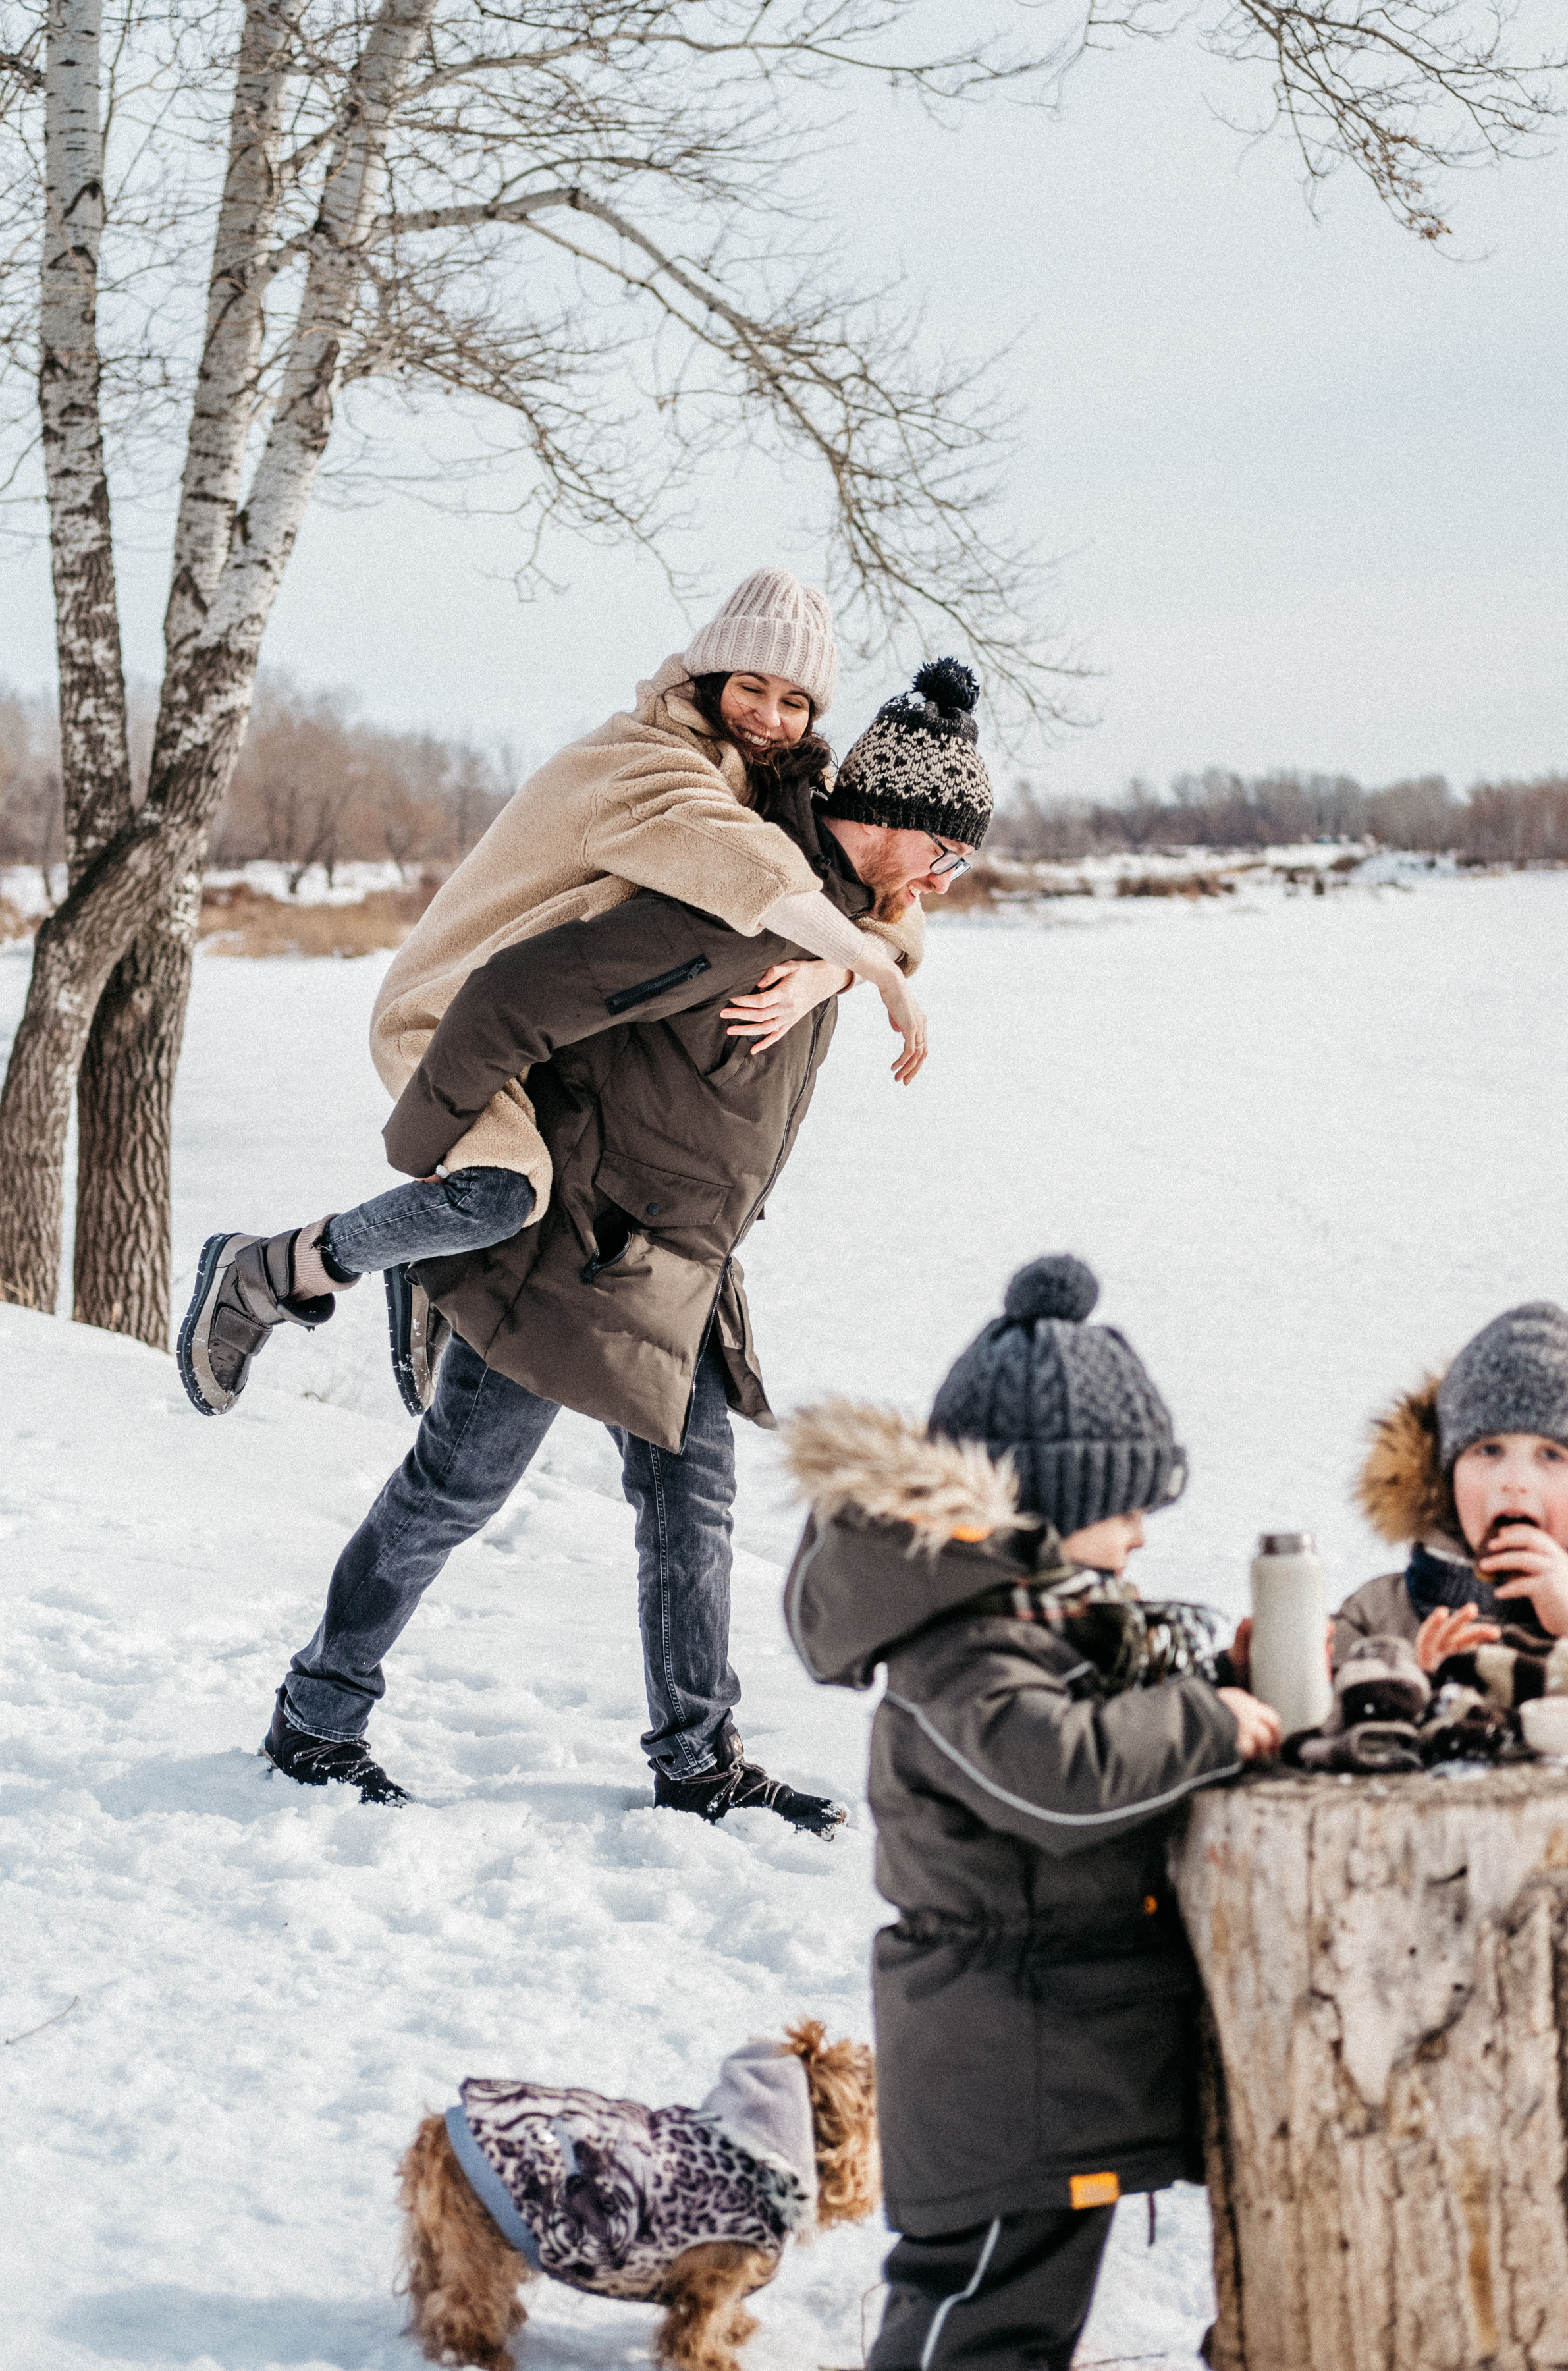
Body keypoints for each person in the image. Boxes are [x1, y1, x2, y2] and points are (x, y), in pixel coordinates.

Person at [252, 660, 995, 1825]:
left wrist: (849, 968)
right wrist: (439, 1164)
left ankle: (697, 1759)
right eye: (950, 855)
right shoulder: (729, 898)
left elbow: (878, 932)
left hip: (688, 1263)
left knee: (692, 1507)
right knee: (455, 1490)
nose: (952, 884)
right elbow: (518, 993)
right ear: (895, 822)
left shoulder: (834, 917)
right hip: (581, 1252)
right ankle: (317, 1715)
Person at [178, 566, 931, 1420]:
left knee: (543, 1197)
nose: (770, 715)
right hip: (453, 1010)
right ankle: (272, 1270)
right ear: (711, 679)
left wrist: (840, 966)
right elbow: (774, 882)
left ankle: (431, 1273)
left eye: (794, 701)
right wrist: (871, 969)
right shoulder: (649, 765)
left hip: (543, 1029)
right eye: (752, 687)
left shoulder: (758, 781)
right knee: (501, 1193)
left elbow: (879, 885)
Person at [782, 1254, 1280, 2371]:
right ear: (1052, 1506)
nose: (1146, 1532)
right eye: (1127, 1505)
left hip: (1045, 2043)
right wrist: (1202, 1722)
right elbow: (1051, 1774)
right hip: (1003, 2053)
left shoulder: (1014, 1622)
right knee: (979, 2317)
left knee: (1015, 2316)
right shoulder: (960, 1646)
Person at [1336, 1299, 1568, 1673]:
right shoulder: (1376, 1618)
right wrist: (1420, 1691)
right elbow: (1313, 1727)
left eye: (1552, 1455)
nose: (1515, 1482)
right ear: (1444, 1476)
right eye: (1489, 1450)